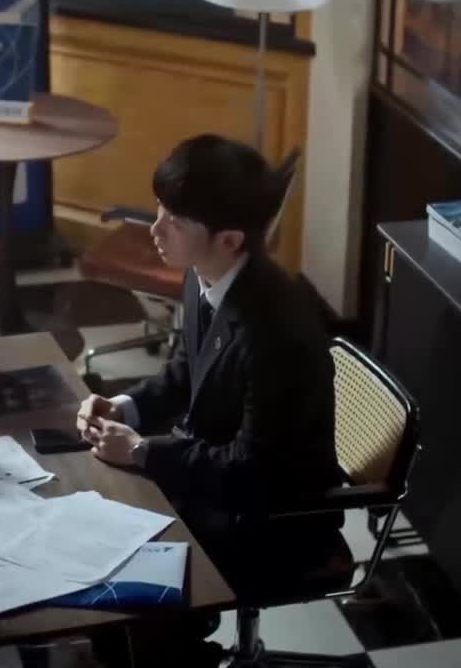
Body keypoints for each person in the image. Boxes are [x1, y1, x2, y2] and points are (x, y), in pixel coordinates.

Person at [76, 134, 343, 605]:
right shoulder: (204, 274)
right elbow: (183, 375)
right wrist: (124, 407)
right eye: (160, 210)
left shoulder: (277, 333)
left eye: (174, 222)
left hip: (269, 519)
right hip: (213, 483)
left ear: (230, 240)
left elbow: (251, 468)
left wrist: (141, 452)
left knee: (113, 580)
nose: (155, 230)